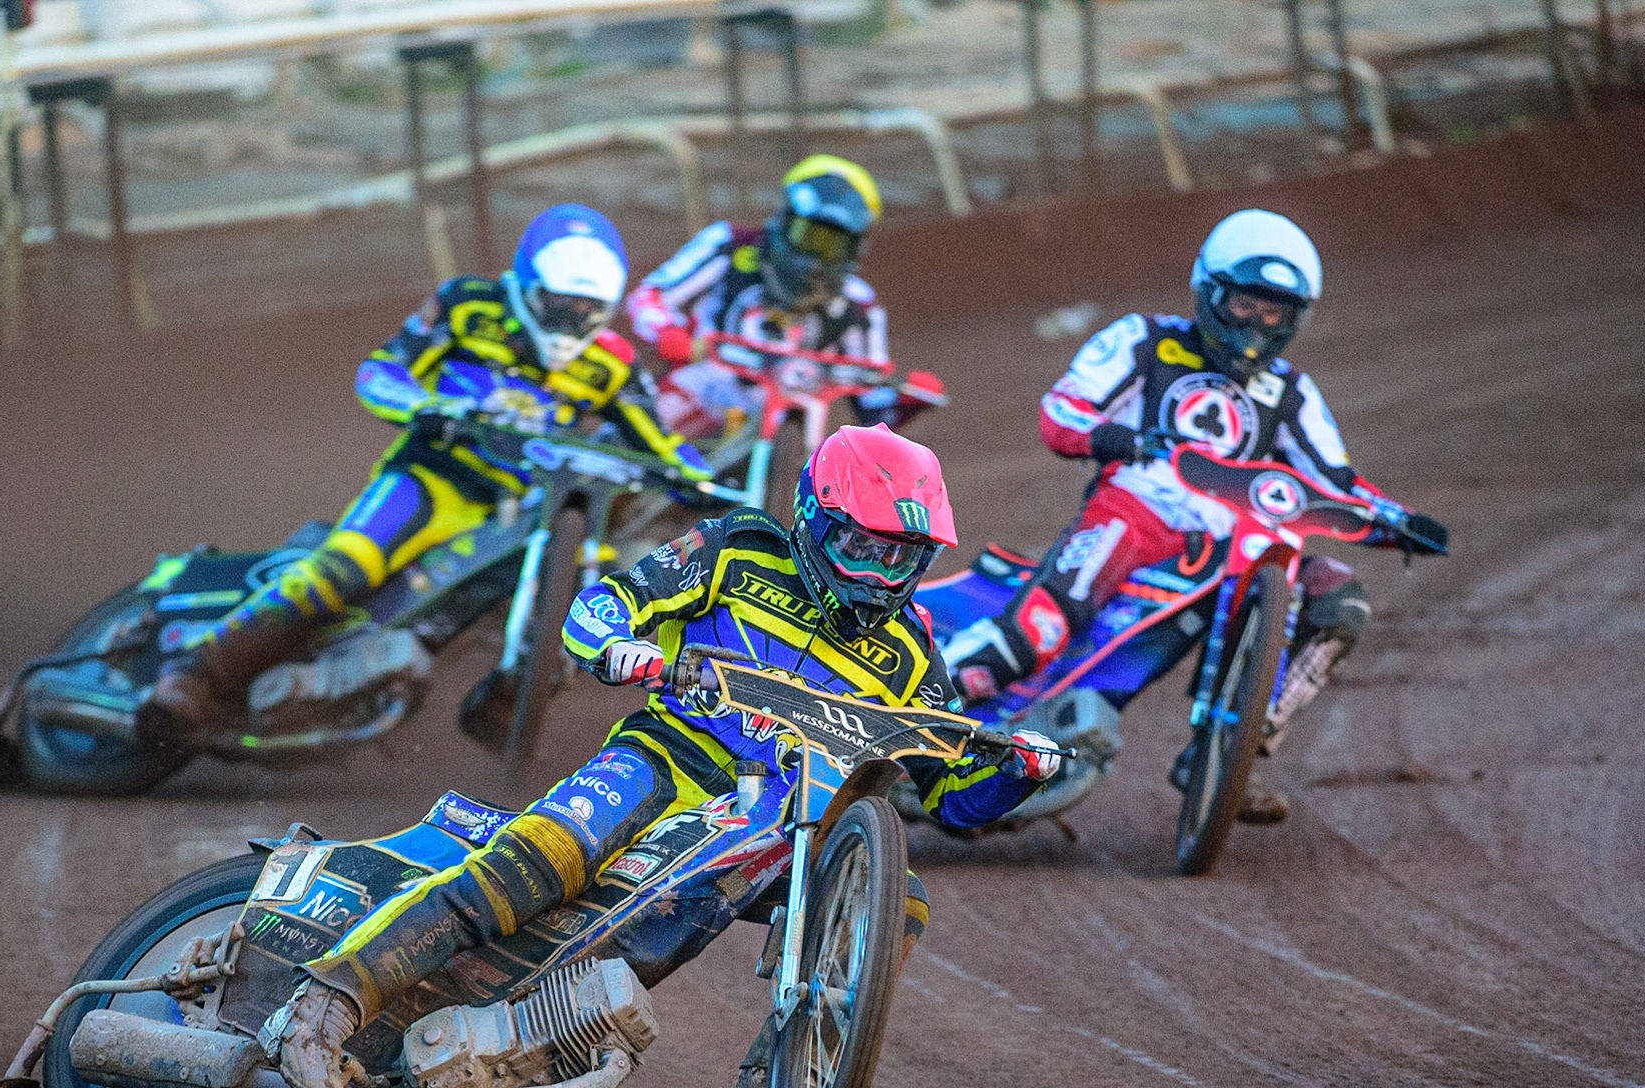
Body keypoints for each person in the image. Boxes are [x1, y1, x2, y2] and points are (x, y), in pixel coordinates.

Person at [268, 424, 1068, 1088]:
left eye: (903, 557)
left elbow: (954, 796)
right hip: (663, 759)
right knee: (551, 856)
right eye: (866, 547)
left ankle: (780, 1084)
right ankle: (327, 1002)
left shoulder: (910, 653)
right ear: (817, 522)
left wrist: (1014, 773)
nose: (882, 575)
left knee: (901, 897)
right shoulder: (738, 549)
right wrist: (624, 651)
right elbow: (602, 606)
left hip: (772, 821)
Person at [940, 210, 1448, 821]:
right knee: (1040, 632)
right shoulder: (1145, 340)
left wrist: (1399, 521)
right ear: (1210, 291)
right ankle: (914, 707)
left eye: (1274, 312)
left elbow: (1333, 482)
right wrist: (1123, 440)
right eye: (1244, 304)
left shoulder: (1292, 392)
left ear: (1295, 319)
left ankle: (1235, 750)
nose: (1256, 325)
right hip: (1132, 515)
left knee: (1342, 602)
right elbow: (1061, 412)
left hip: (1236, 548)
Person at [141, 205, 710, 743]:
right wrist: (427, 406)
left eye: (587, 310)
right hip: (431, 478)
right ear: (528, 285)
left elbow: (662, 443)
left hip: (513, 513)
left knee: (516, 600)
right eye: (560, 305)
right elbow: (380, 370)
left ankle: (497, 702)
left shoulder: (611, 362)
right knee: (342, 571)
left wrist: (706, 485)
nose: (572, 321)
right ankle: (194, 677)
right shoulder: (467, 305)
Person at [628, 154, 940, 441]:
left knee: (828, 467)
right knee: (638, 438)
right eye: (808, 235)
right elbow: (651, 295)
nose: (815, 257)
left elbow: (873, 403)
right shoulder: (731, 245)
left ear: (854, 248)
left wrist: (908, 401)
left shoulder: (858, 306)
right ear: (785, 218)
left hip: (785, 425)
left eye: (832, 245)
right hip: (703, 386)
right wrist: (668, 331)